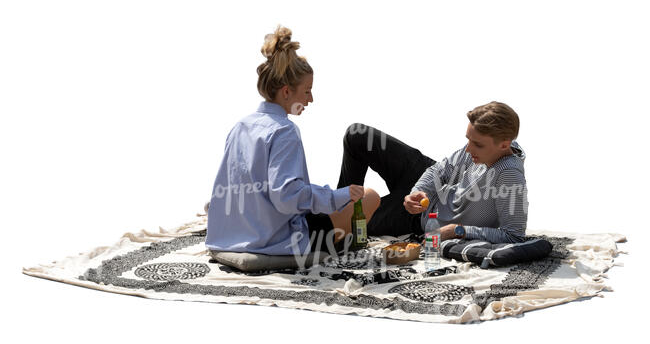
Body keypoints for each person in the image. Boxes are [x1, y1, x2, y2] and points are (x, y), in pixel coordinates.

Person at [205, 26, 380, 256]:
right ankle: (338, 243)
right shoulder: (284, 131)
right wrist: (340, 195)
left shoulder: (240, 126)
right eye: (307, 91)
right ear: (286, 92)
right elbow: (286, 197)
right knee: (369, 196)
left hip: (231, 237)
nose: (311, 99)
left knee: (324, 200)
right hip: (276, 242)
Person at [337, 101, 528, 243]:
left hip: (424, 217)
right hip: (427, 187)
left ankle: (334, 219)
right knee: (358, 135)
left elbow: (514, 235)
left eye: (476, 144)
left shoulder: (509, 176)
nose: (468, 150)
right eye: (468, 140)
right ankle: (339, 205)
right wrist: (417, 191)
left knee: (349, 225)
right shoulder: (487, 145)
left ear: (504, 145)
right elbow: (441, 169)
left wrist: (457, 230)